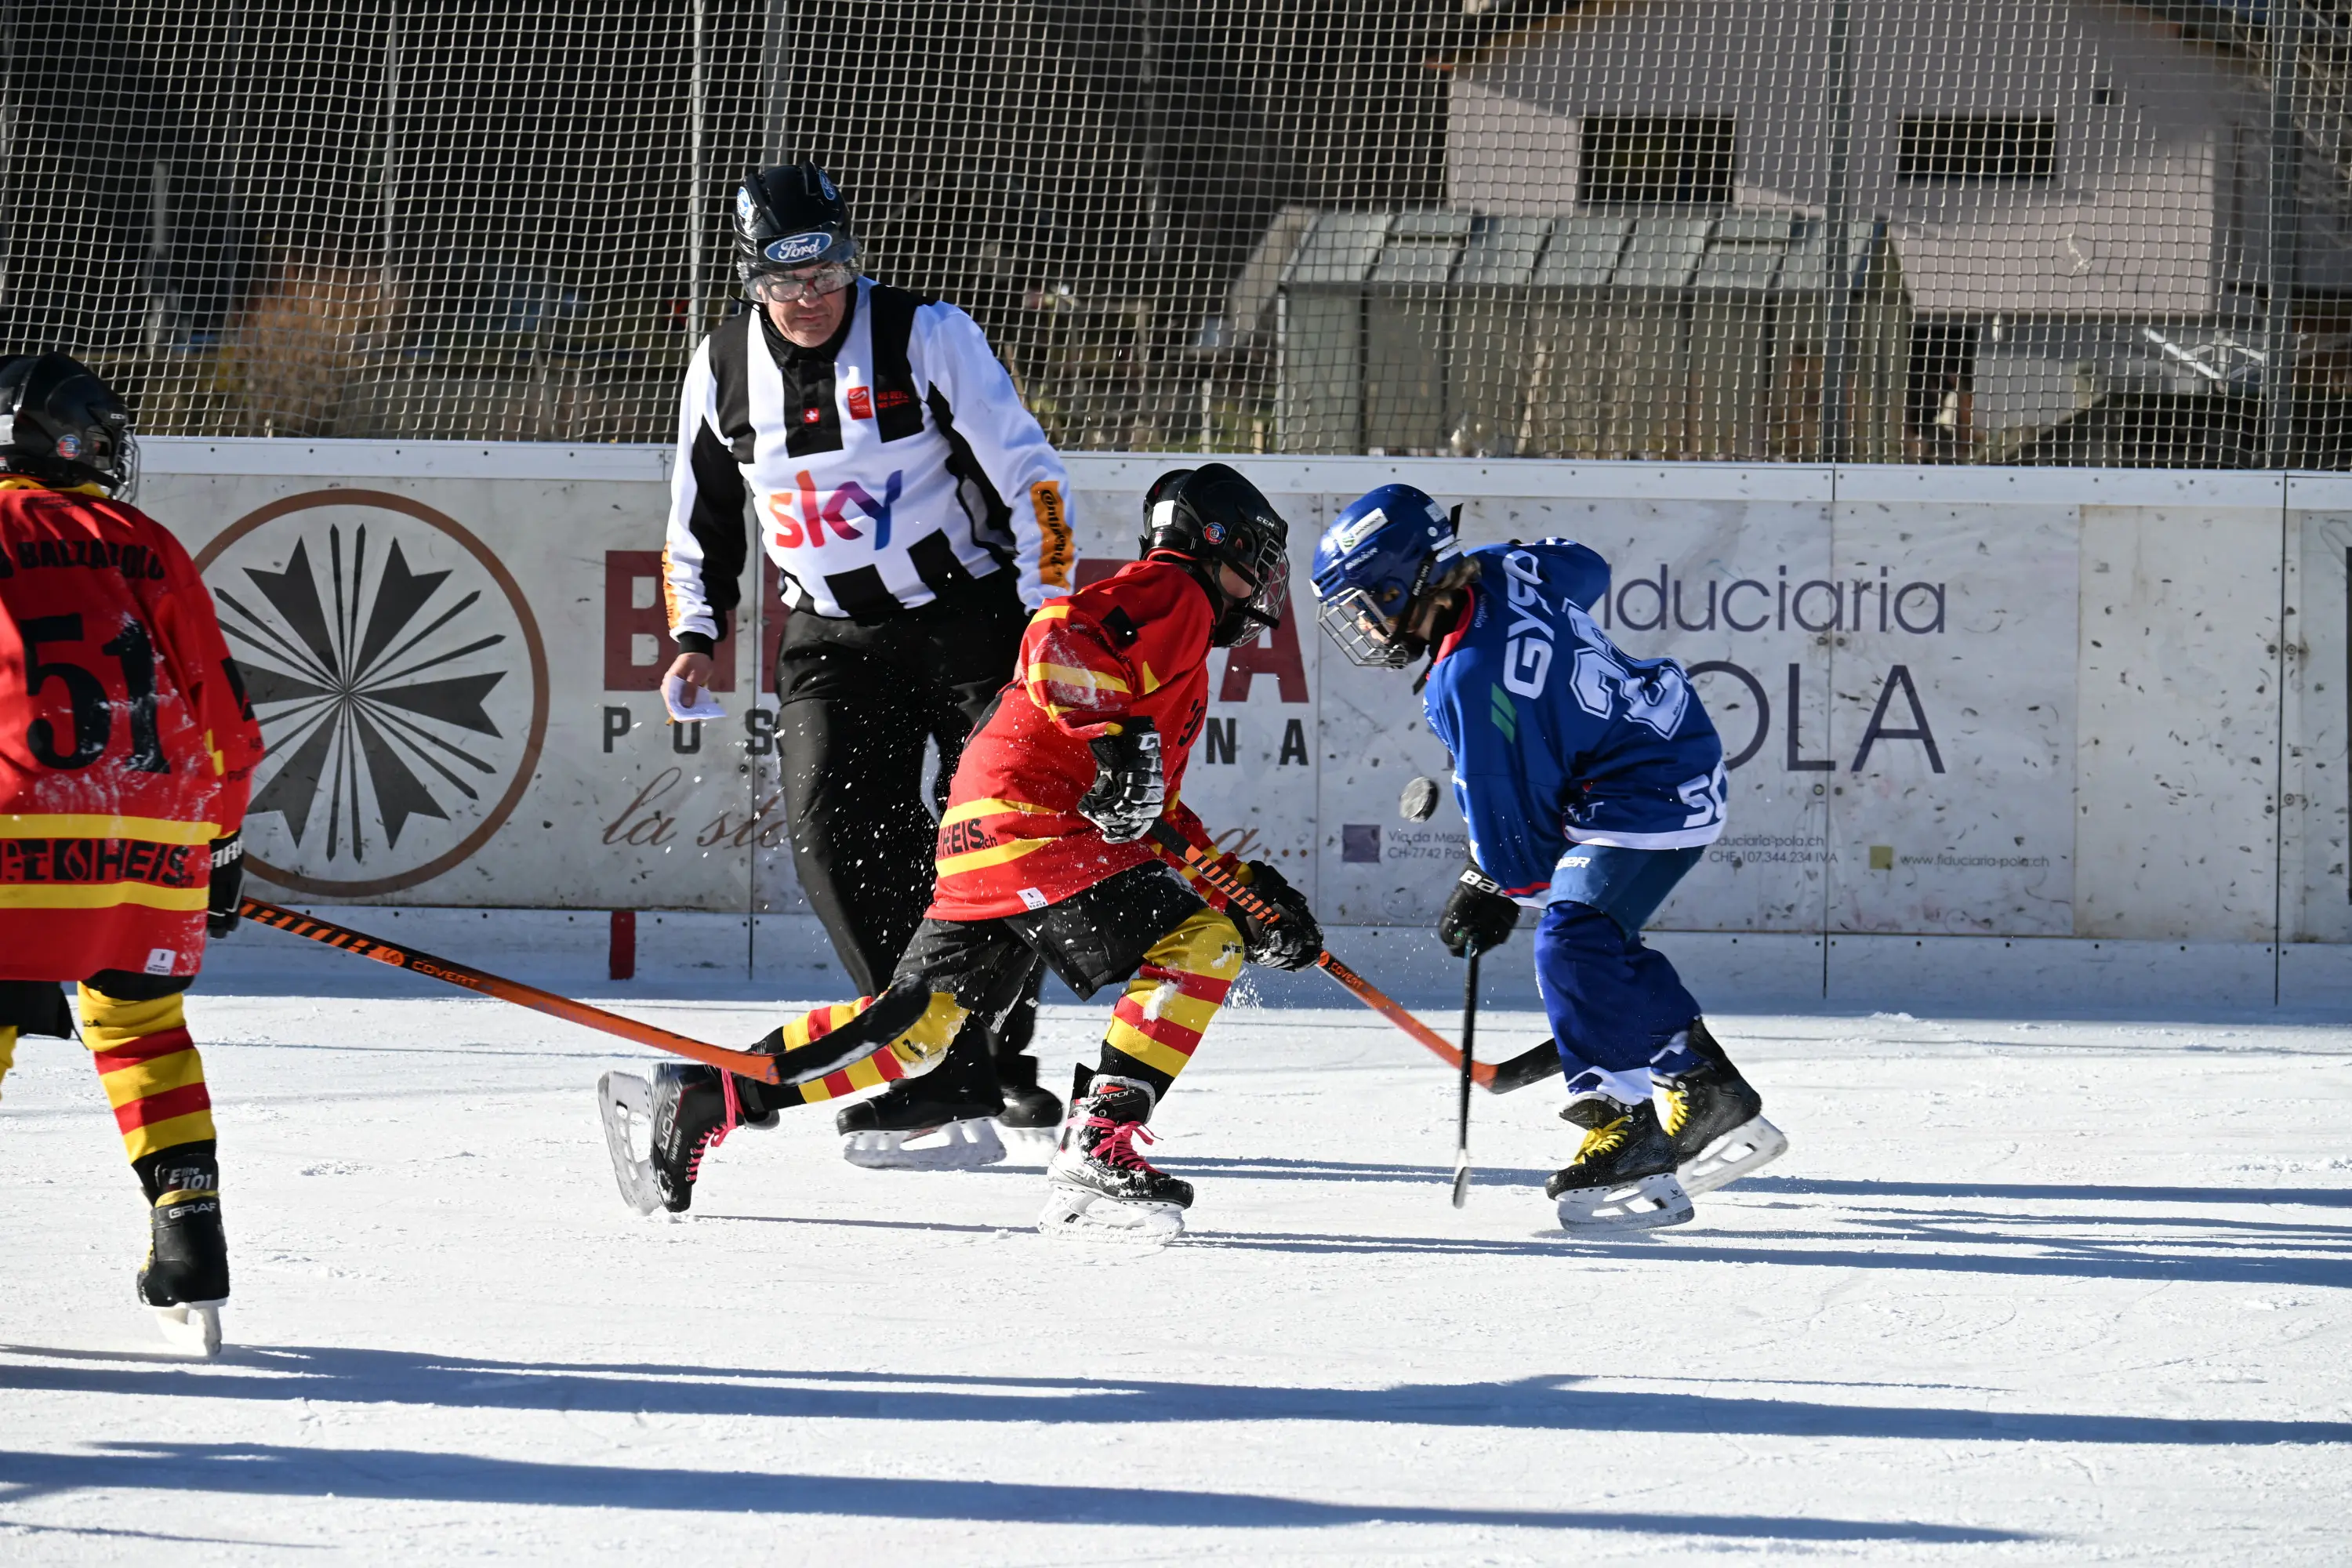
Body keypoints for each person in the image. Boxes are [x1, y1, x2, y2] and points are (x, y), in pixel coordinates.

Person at [649, 464, 1322, 1240]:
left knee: (918, 1028)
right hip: (1038, 823)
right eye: (1258, 562)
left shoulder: (1178, 644)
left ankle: (714, 1092)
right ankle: (1100, 1143)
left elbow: (1154, 810)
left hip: (991, 827)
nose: (1261, 588)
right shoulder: (1176, 592)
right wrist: (1115, 742)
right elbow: (1050, 639)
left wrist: (1242, 888)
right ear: (1217, 544)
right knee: (1204, 941)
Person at [659, 162, 1073, 1167]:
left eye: (827, 275)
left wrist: (1048, 610)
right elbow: (697, 520)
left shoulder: (928, 334)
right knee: (831, 838)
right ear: (750, 280)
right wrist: (694, 637)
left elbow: (1030, 474)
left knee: (992, 844)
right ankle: (942, 1064)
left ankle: (994, 1050)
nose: (807, 301)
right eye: (782, 282)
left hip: (971, 622)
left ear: (853, 258)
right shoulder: (719, 369)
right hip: (833, 639)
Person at [1308, 485, 1786, 1232]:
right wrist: (1494, 564)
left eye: (1368, 602)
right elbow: (1586, 567)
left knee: (1572, 938)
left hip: (1647, 788)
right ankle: (1703, 1085)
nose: (1364, 625)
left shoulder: (1467, 677)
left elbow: (1515, 838)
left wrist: (1492, 884)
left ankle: (1625, 1125)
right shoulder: (1503, 576)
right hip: (1665, 754)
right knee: (1601, 942)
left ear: (1408, 585)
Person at [0, 352, 266, 1350]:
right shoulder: (143, 540)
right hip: (153, 833)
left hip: (16, 829)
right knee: (143, 1023)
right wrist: (222, 846)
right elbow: (227, 717)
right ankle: (191, 1233)